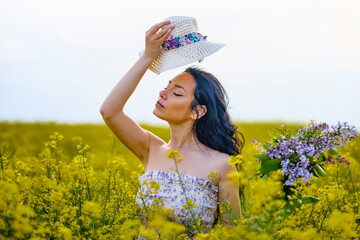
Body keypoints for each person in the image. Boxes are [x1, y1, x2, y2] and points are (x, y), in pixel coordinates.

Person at [100, 19, 244, 238]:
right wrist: (147, 57)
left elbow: (232, 235)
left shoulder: (222, 165)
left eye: (177, 93)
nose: (162, 94)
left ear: (198, 111)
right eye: (165, 87)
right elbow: (109, 111)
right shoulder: (151, 149)